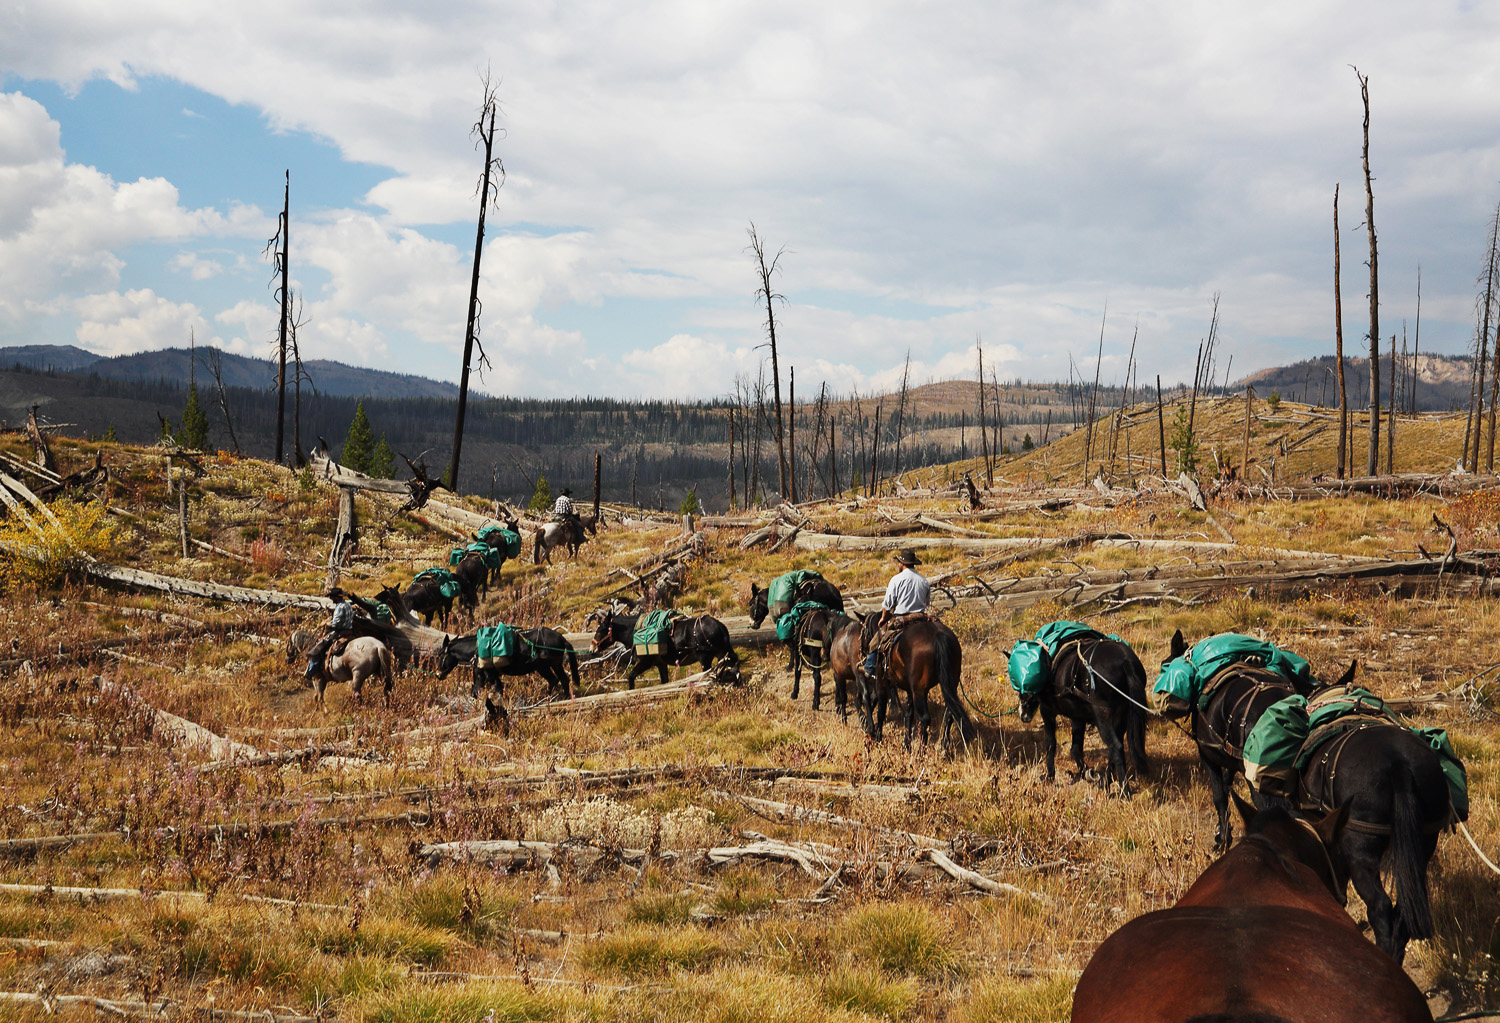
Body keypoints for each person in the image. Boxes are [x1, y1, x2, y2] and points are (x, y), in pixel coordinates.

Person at [865, 550, 930, 676]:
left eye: (899, 562)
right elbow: (926, 602)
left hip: (902, 618)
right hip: (921, 617)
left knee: (878, 639)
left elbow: (888, 604)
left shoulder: (896, 579)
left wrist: (883, 618)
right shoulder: (924, 581)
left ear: (902, 563)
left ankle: (870, 667)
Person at [304, 589, 356, 680]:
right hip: (349, 630)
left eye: (332, 597)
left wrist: (325, 623)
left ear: (336, 597)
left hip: (339, 632)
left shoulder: (340, 607)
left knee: (317, 648)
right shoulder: (348, 604)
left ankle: (312, 671)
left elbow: (335, 624)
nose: (331, 599)